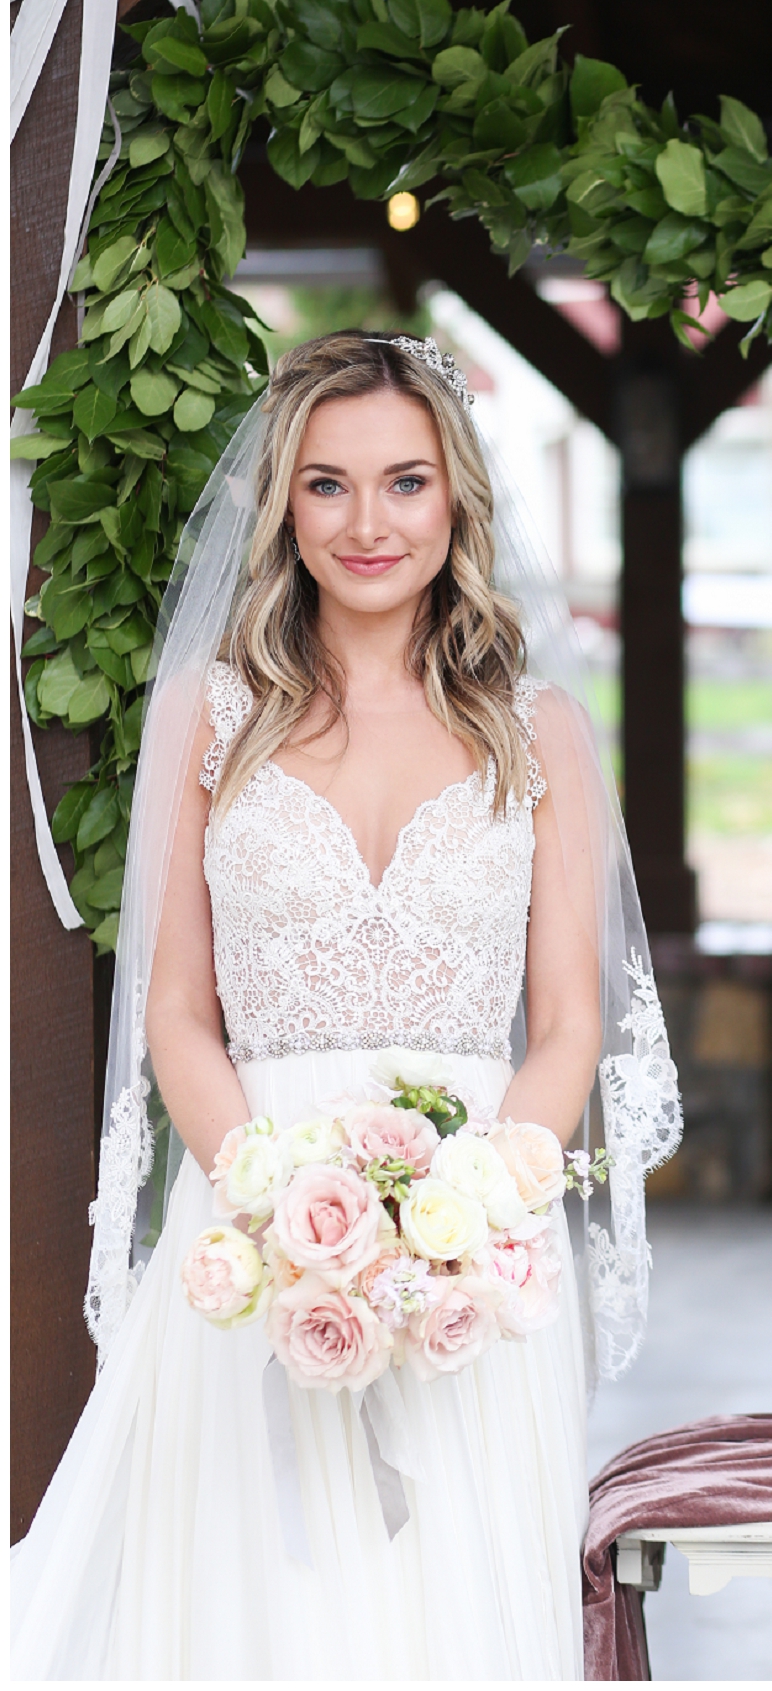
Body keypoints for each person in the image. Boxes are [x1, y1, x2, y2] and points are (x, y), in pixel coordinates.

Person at [12, 332, 681, 1678]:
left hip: (474, 1250)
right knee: (247, 1611)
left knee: (456, 1604)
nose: (367, 522)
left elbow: (563, 1024)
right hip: (253, 1225)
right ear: (283, 504)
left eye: (404, 482)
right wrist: (271, 1202)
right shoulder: (208, 716)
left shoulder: (540, 730)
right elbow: (178, 1012)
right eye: (327, 485)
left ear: (456, 500)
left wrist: (472, 1213)